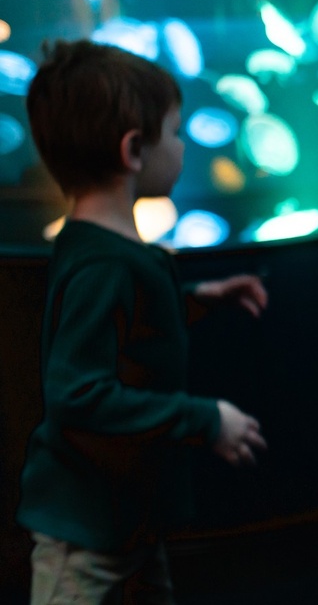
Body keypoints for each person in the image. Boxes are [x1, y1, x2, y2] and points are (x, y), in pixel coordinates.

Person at [16, 40, 270, 605]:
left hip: (124, 514)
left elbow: (127, 322)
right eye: (175, 132)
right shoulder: (103, 263)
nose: (181, 146)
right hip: (86, 535)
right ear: (134, 150)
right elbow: (78, 394)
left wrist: (199, 297)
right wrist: (204, 418)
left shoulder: (102, 249)